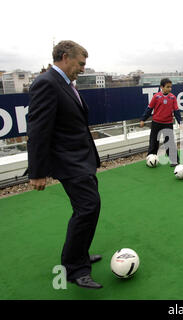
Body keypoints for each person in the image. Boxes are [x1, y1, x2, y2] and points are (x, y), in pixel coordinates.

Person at [27, 40, 103, 289]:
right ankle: (74, 269)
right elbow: (38, 130)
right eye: (80, 64)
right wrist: (37, 172)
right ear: (64, 57)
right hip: (69, 162)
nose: (82, 69)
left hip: (81, 159)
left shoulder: (65, 84)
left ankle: (78, 256)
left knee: (88, 208)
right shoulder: (46, 84)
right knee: (88, 208)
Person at [140, 78, 183, 167]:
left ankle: (174, 161)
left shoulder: (173, 97)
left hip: (168, 123)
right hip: (156, 123)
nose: (169, 89)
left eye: (170, 87)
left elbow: (176, 111)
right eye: (167, 87)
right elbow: (149, 109)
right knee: (153, 141)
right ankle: (150, 158)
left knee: (169, 142)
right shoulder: (156, 97)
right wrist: (143, 119)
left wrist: (180, 123)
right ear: (162, 87)